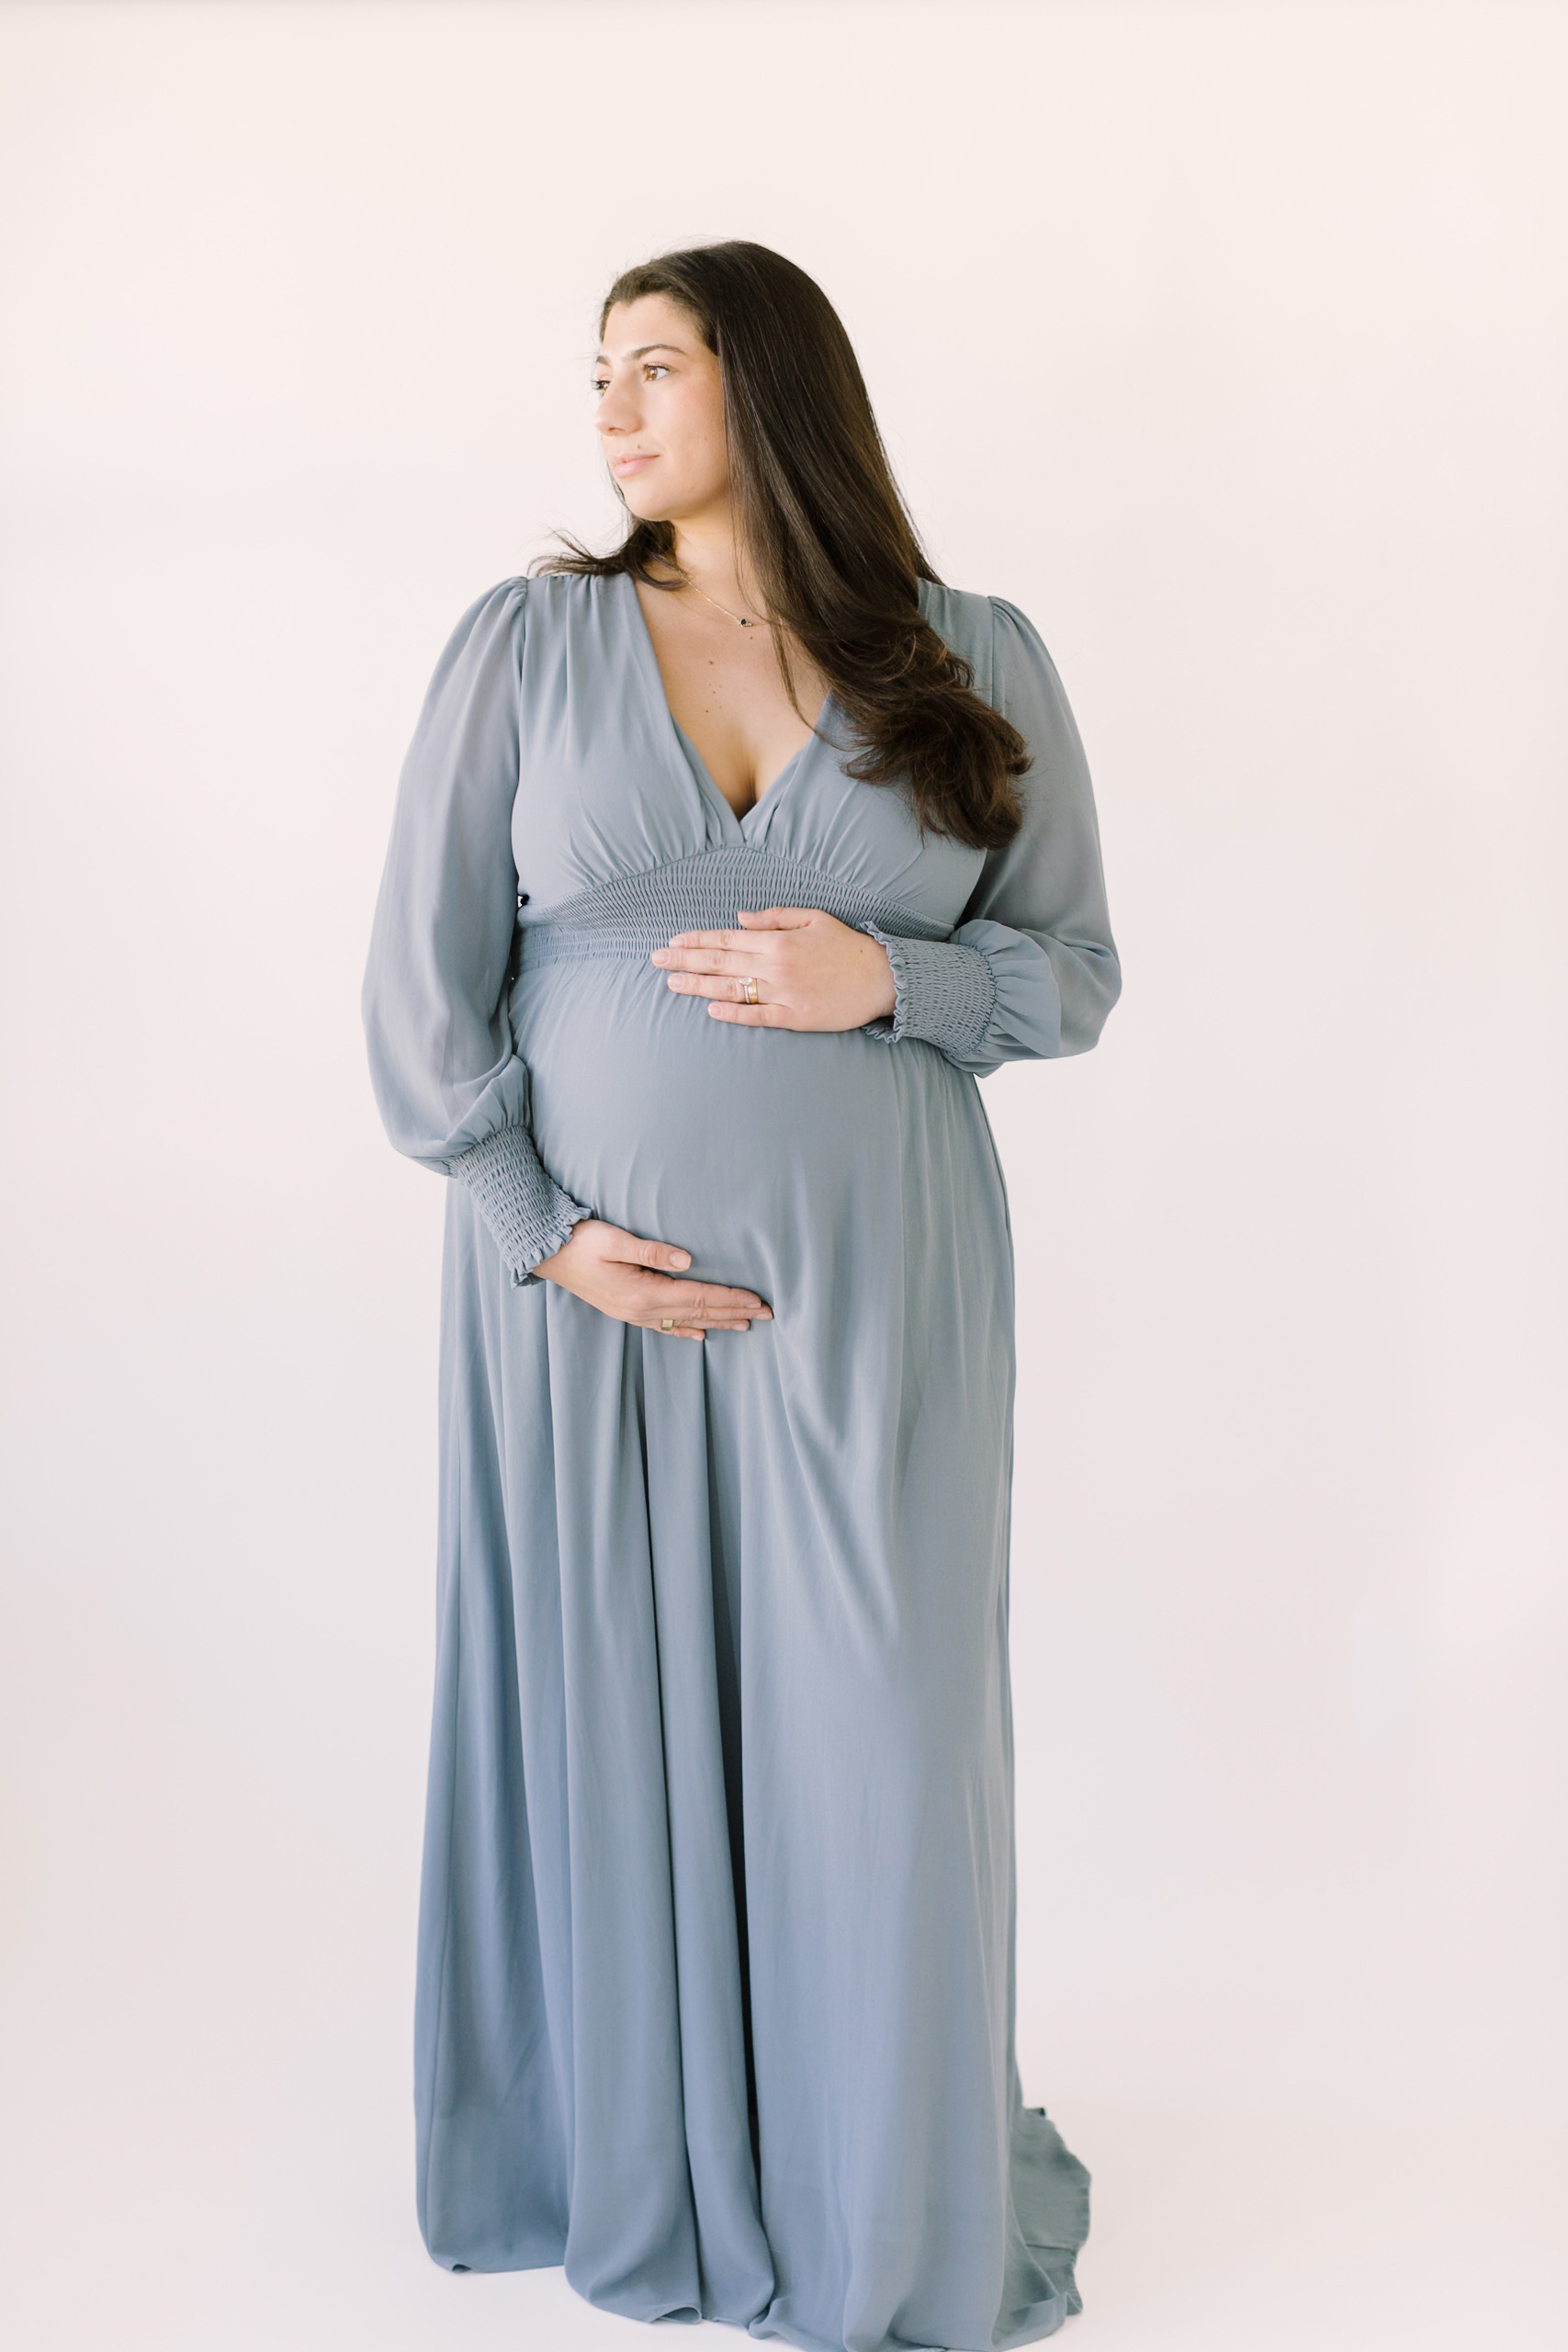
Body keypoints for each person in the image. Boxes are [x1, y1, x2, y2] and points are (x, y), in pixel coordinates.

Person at [363, 240, 1120, 2352]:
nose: (608, 410)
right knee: (608, 1713)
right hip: (575, 1294)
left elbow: (1071, 968)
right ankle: (637, 2157)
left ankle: (873, 2191)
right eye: (595, 374)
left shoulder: (969, 652)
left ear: (767, 383)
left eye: (655, 366)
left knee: (878, 1726)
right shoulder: (528, 641)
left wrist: (895, 975)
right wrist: (534, 1219)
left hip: (880, 1286)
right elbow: (420, 980)